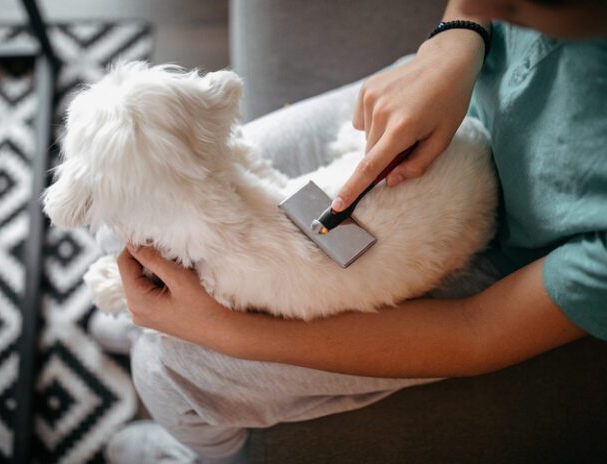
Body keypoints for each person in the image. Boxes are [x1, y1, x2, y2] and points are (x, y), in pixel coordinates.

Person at [105, 0, 607, 462]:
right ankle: (128, 312)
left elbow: (474, 332)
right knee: (142, 201)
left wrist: (226, 331)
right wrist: (460, 31)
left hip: (488, 253)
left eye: (526, 5)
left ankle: (199, 451)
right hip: (437, 98)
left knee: (167, 369)